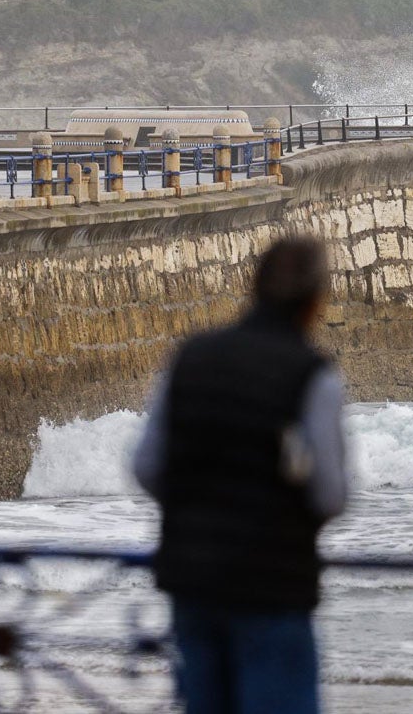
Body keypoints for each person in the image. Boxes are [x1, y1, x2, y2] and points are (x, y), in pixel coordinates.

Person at [133, 236, 347, 714]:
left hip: (194, 581)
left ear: (255, 288)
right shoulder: (311, 374)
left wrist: (194, 510)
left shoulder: (190, 357)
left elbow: (147, 466)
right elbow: (330, 494)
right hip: (272, 584)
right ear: (314, 302)